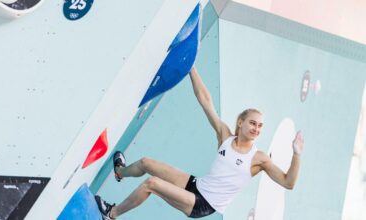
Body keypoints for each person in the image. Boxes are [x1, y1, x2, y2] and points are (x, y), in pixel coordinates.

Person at [95, 67, 304, 219]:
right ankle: (120, 172)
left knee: (152, 184)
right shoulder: (225, 136)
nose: (256, 129)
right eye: (252, 123)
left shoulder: (259, 159)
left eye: (260, 126)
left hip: (204, 204)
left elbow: (288, 182)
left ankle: (111, 213)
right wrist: (189, 67)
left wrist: (296, 154)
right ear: (240, 123)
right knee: (146, 163)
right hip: (197, 185)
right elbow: (205, 100)